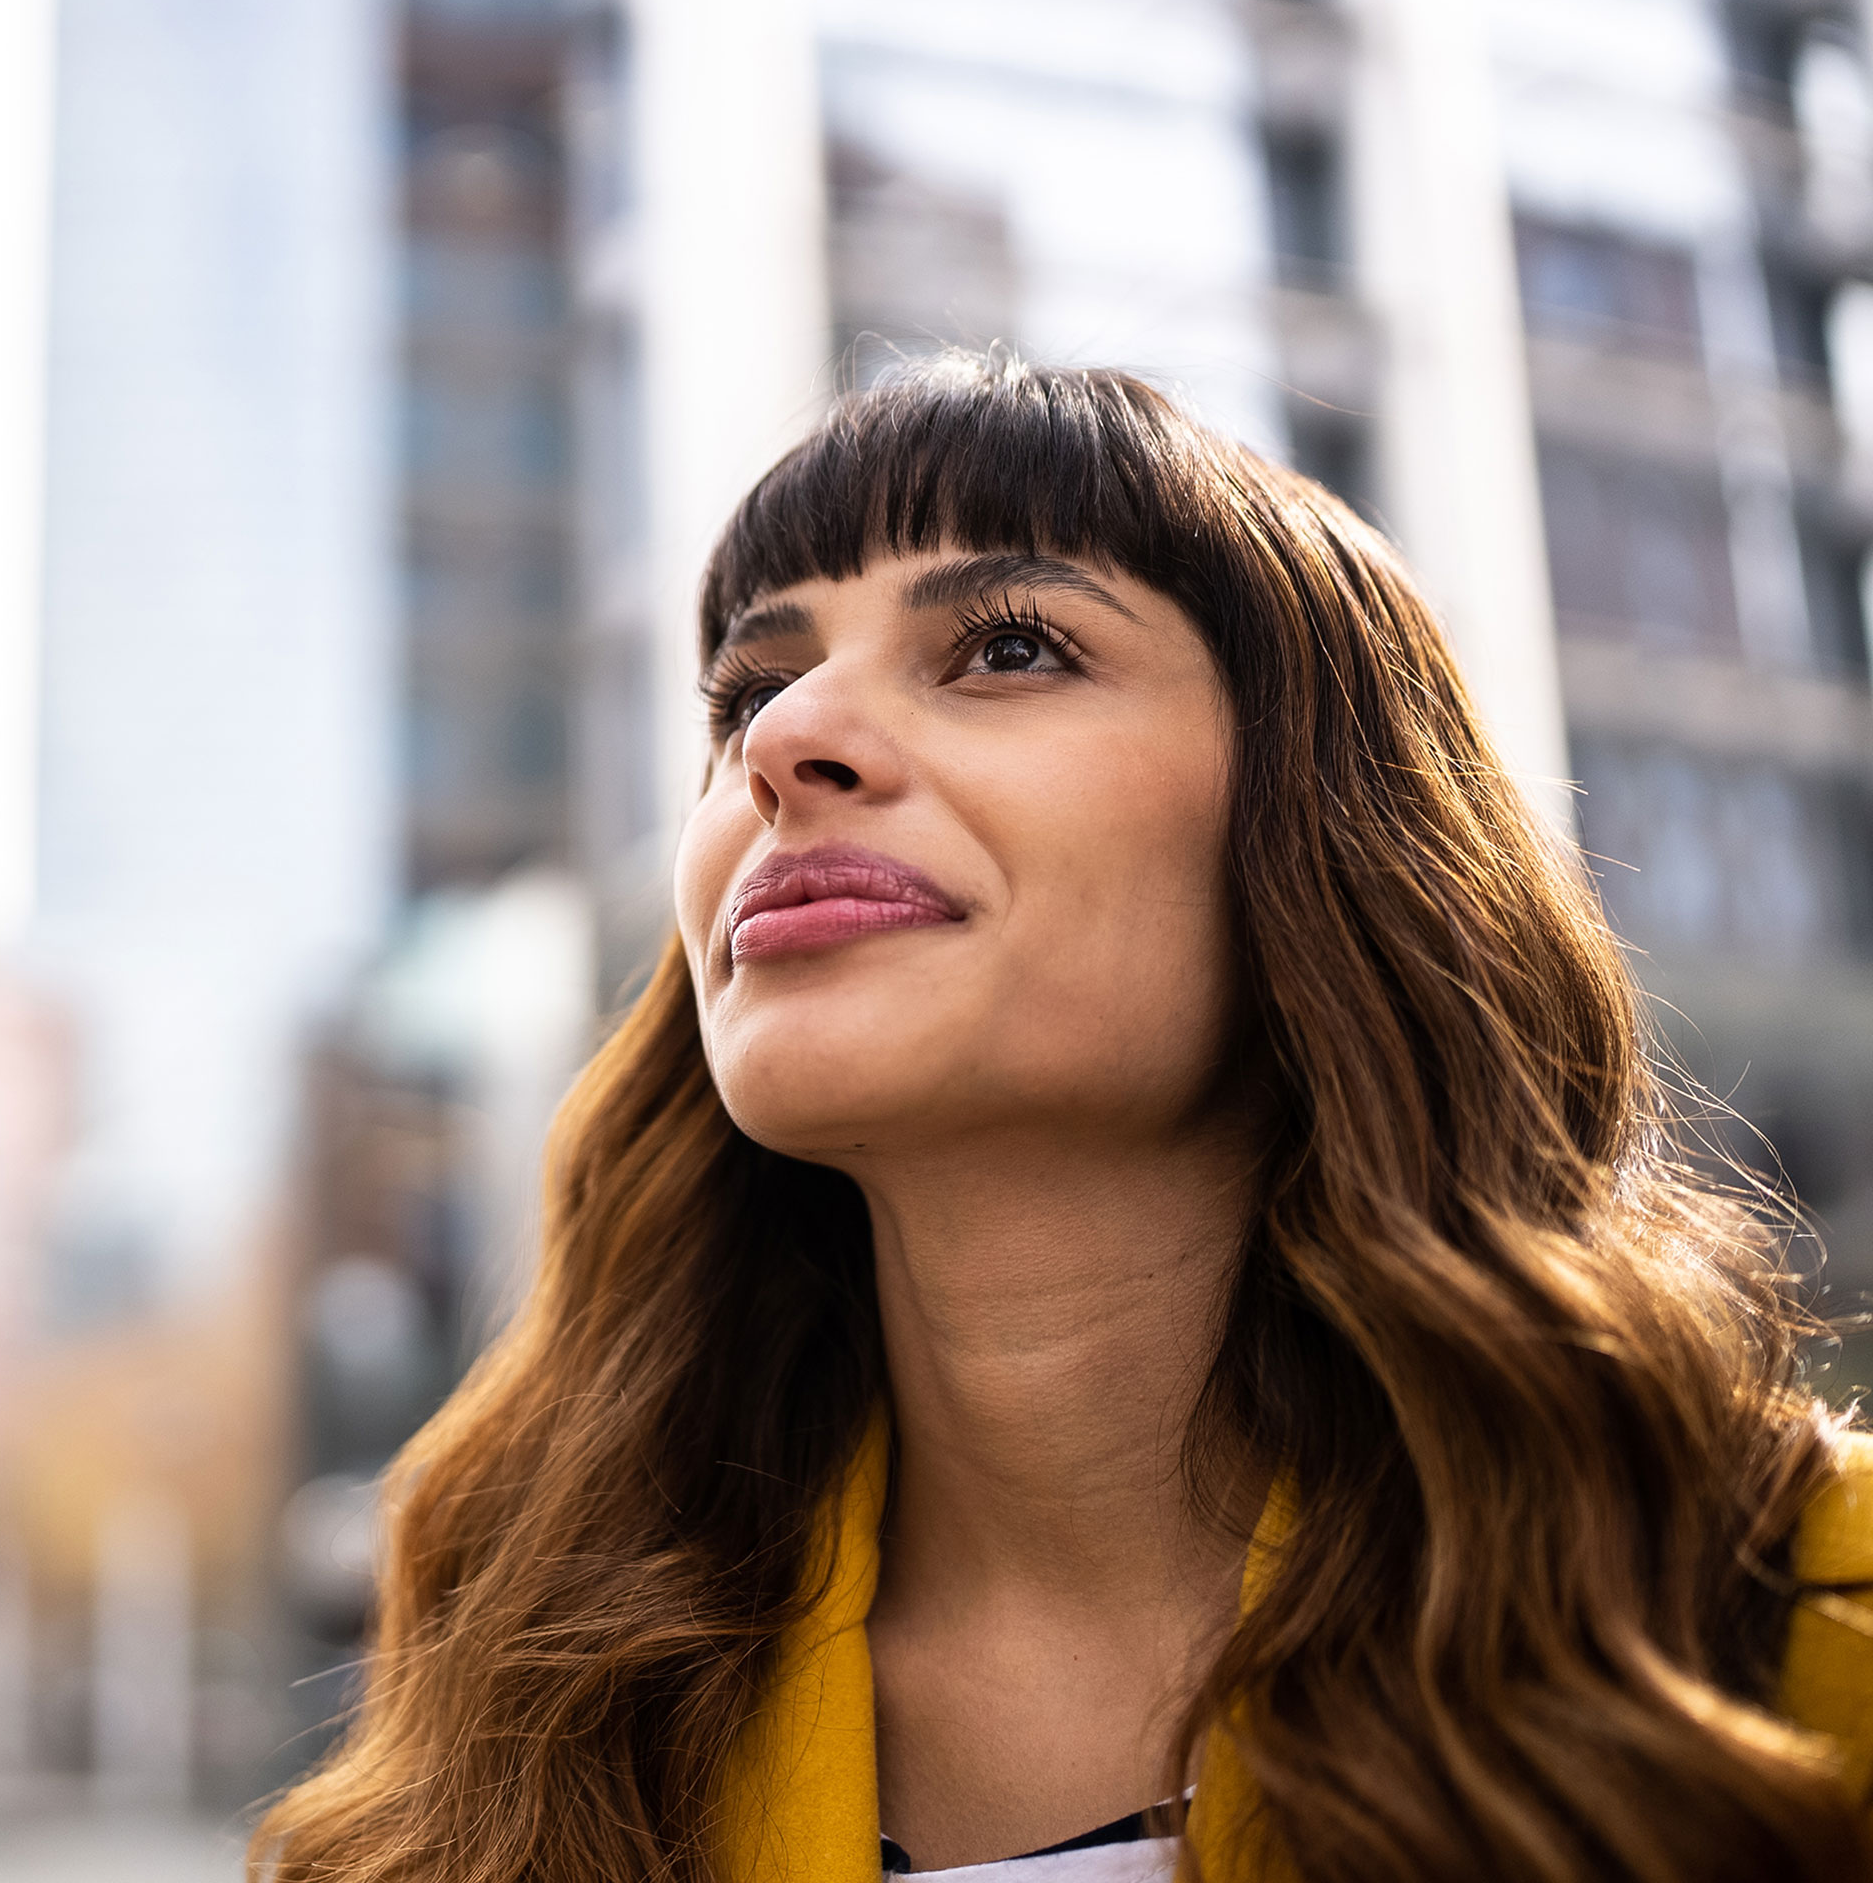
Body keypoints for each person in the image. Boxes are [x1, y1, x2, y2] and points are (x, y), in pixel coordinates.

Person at [254, 353, 1873, 1883]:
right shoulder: (515, 1695)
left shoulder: (1807, 1619)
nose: (783, 738)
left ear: (1325, 834)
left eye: (1008, 649)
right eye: (751, 683)